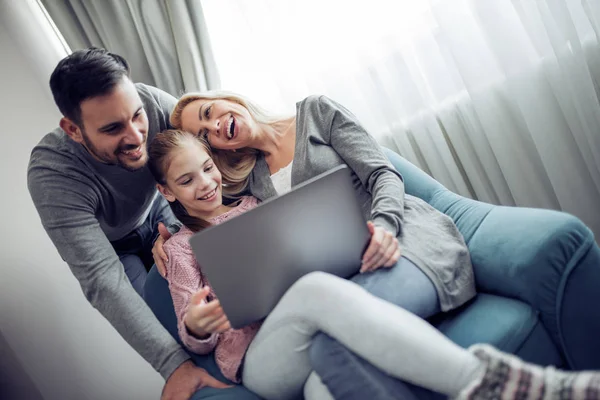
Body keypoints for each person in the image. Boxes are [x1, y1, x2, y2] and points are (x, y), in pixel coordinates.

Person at [149, 129, 600, 400]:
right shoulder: (181, 248)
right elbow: (195, 333)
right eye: (187, 180)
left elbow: (299, 253)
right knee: (315, 291)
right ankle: (488, 382)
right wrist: (198, 323)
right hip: (261, 360)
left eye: (207, 169)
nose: (206, 184)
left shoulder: (254, 204)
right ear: (168, 193)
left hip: (313, 335)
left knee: (328, 388)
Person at [153, 90, 477, 398]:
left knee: (327, 376)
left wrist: (382, 226)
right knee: (319, 315)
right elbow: (205, 218)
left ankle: (480, 382)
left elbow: (382, 175)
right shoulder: (231, 201)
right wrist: (166, 242)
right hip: (276, 339)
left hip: (377, 261)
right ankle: (481, 379)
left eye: (209, 114)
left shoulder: (261, 187)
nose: (214, 127)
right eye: (205, 135)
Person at [27, 48, 227, 400]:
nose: (136, 135)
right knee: (173, 322)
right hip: (115, 250)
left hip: (159, 210)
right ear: (74, 130)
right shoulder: (52, 174)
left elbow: (216, 158)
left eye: (136, 115)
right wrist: (173, 367)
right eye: (113, 128)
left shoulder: (154, 102)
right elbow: (103, 280)